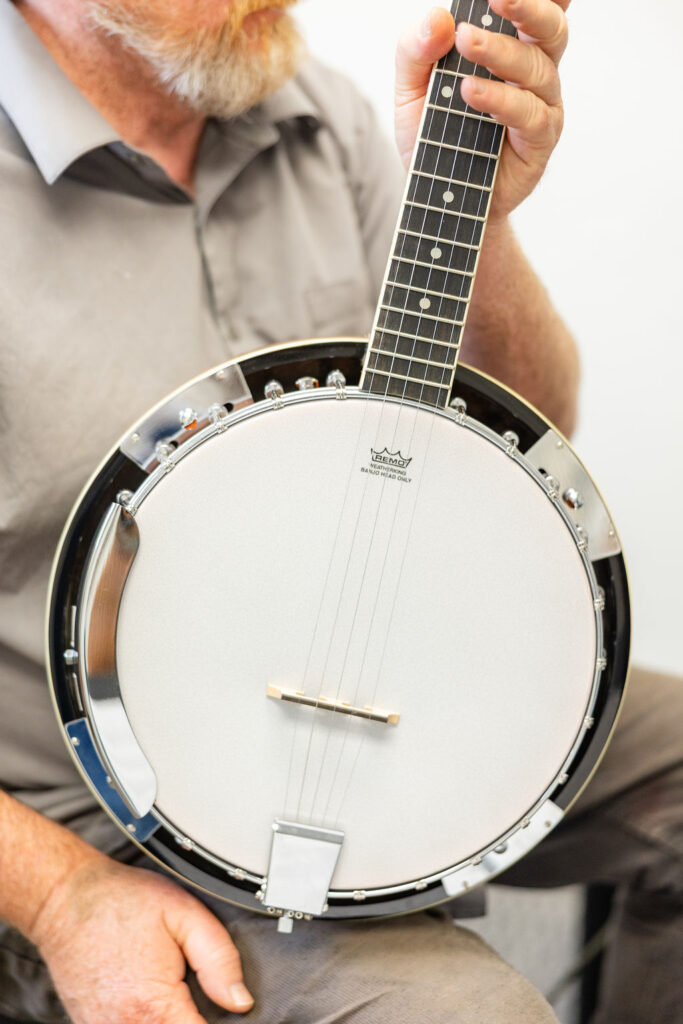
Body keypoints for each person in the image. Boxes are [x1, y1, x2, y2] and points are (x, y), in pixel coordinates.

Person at [0, 0, 680, 1022]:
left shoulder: (322, 118)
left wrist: (484, 227)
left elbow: (528, 444)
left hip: (400, 682)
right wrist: (58, 894)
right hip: (88, 817)